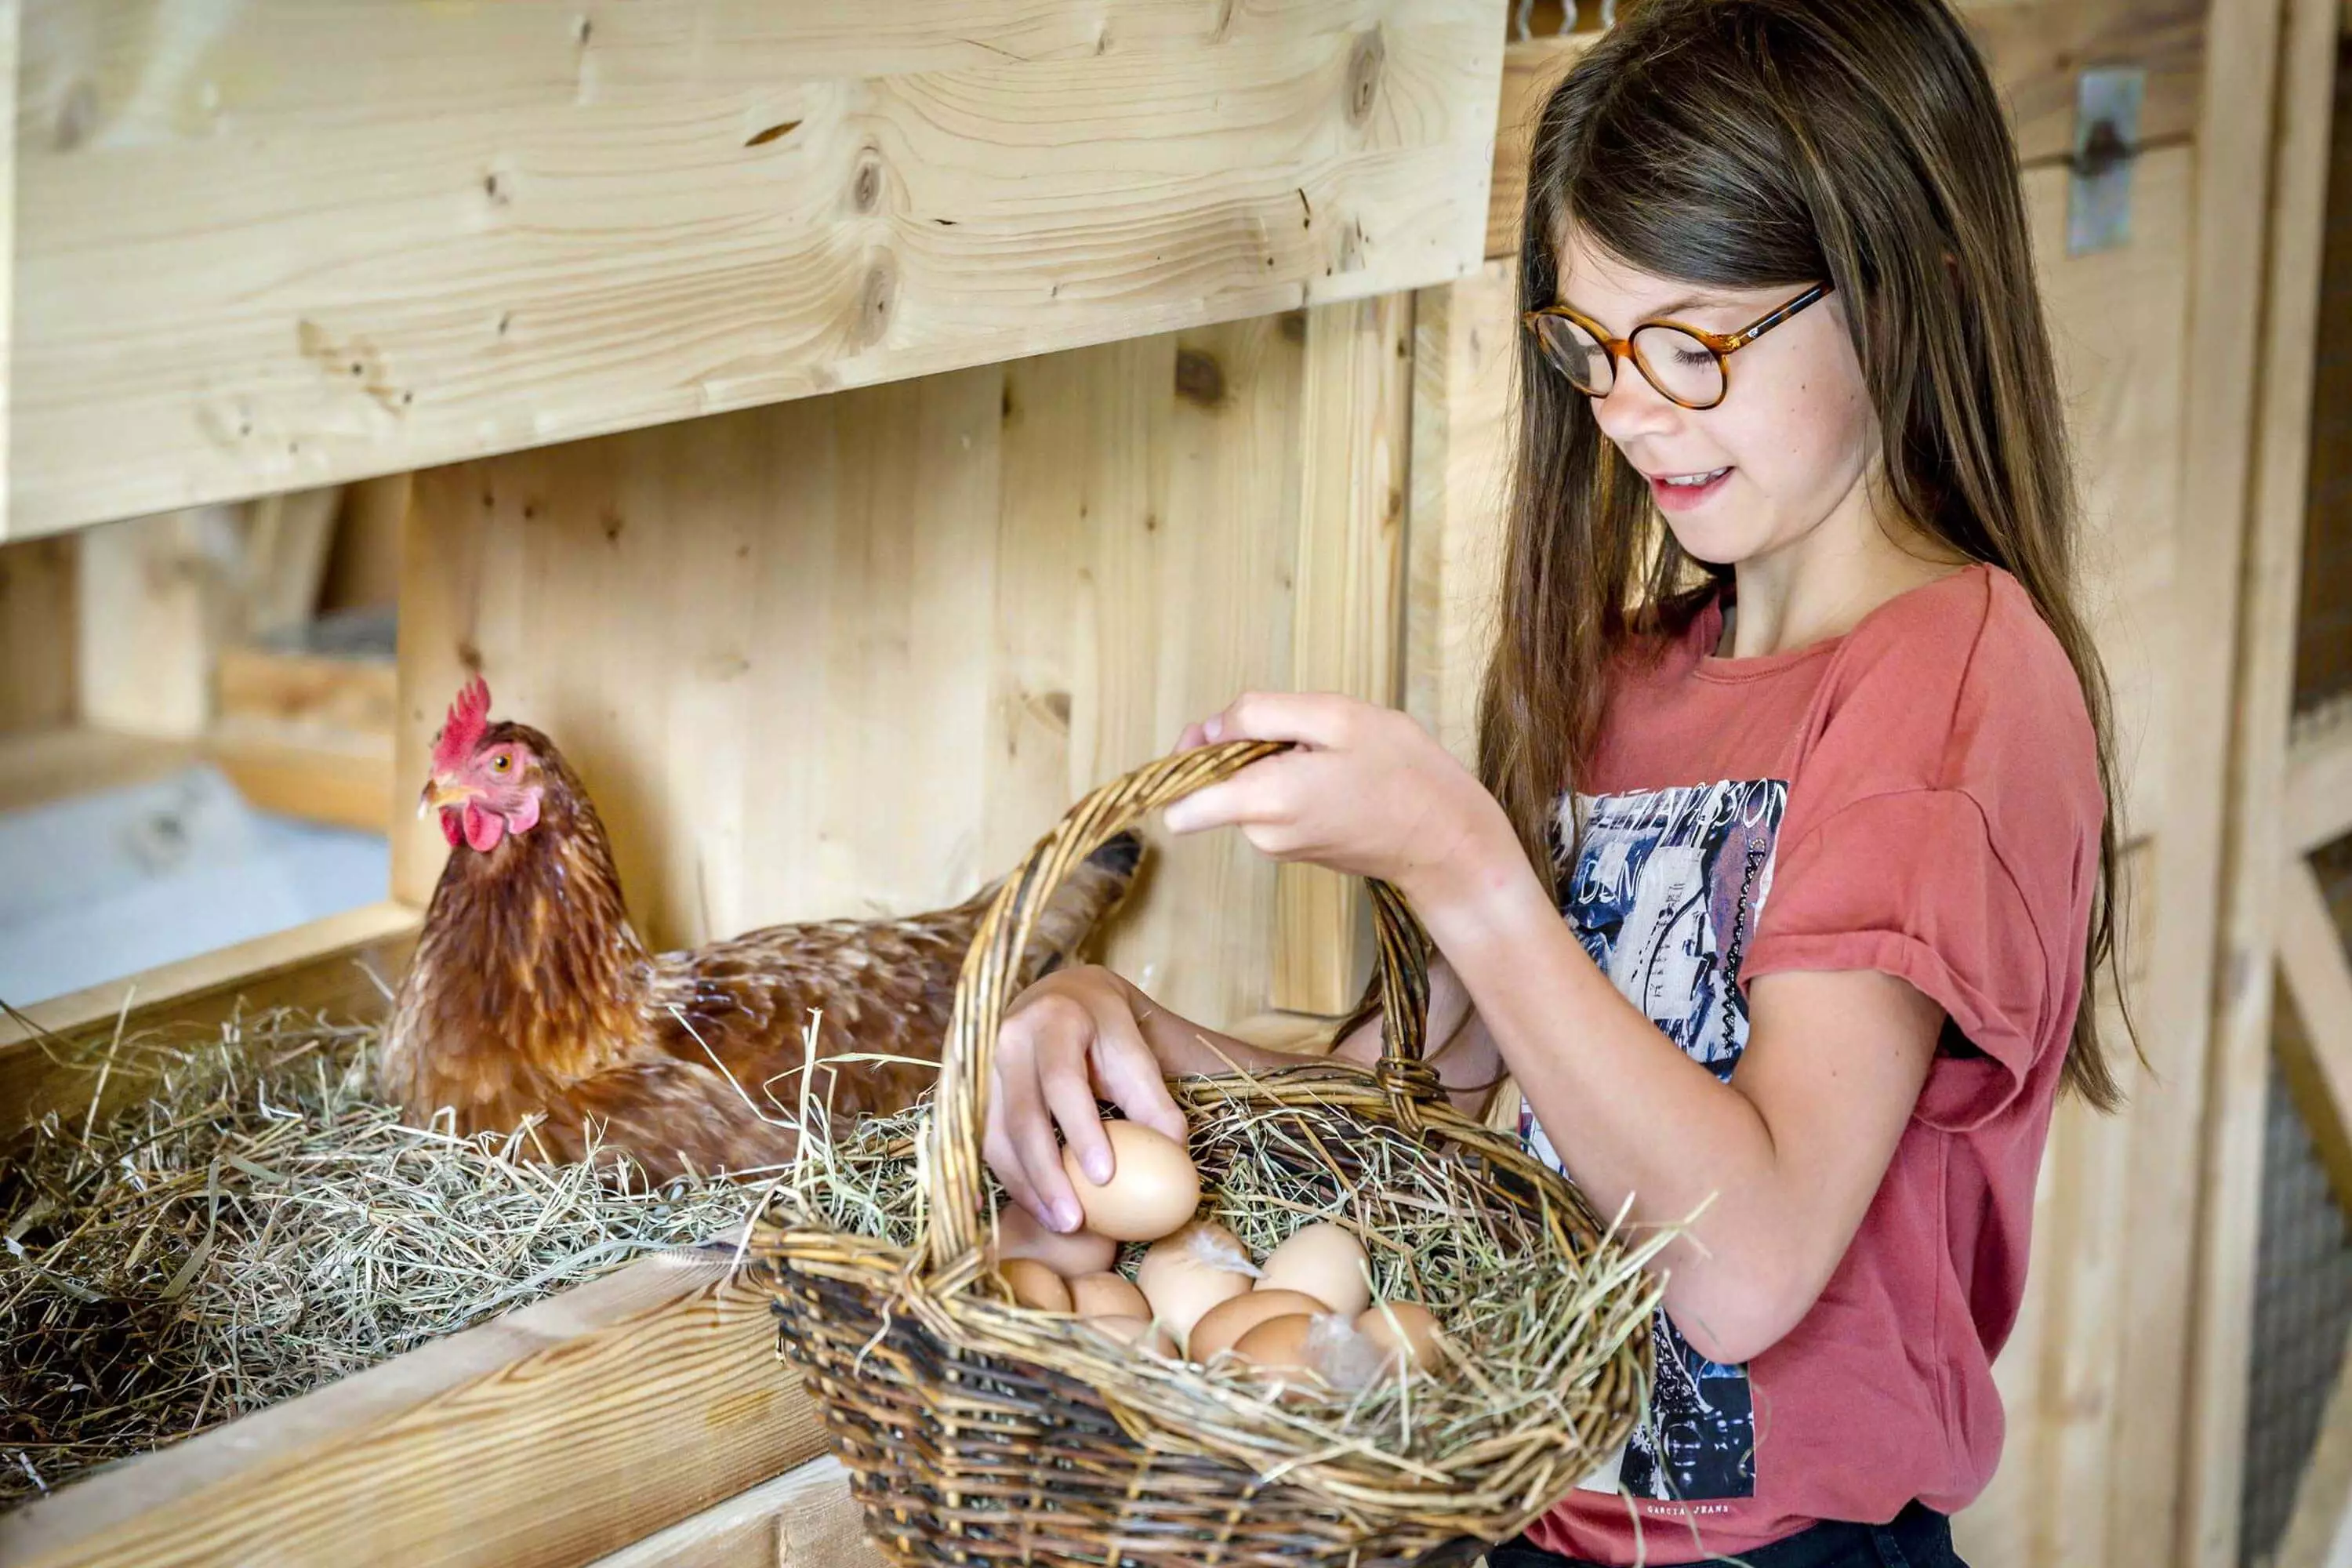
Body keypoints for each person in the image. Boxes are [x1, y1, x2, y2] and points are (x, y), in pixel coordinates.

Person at [981, 0, 2132, 1561]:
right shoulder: (1621, 669)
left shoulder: (1953, 688)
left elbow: (1747, 1268)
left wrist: (1460, 859)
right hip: (1519, 1512)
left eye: (1695, 344)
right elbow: (1427, 1111)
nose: (1632, 410)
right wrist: (1135, 1045)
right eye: (1587, 349)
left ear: (1903, 285)